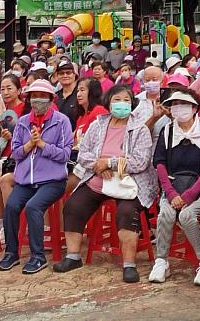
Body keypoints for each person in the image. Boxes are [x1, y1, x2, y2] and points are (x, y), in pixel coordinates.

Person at [54, 85, 158, 282]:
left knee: (127, 212)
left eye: (126, 100)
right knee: (73, 205)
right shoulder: (98, 125)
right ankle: (73, 256)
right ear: (108, 103)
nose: (122, 104)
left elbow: (140, 161)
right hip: (99, 178)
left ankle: (129, 264)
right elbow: (83, 153)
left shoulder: (140, 129)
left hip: (129, 182)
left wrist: (110, 163)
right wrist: (98, 166)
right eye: (117, 100)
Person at [0, 80, 73, 274]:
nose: (37, 100)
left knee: (33, 206)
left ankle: (38, 256)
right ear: (28, 99)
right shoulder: (23, 122)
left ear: (50, 99)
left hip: (53, 180)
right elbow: (15, 152)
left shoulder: (61, 120)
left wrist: (42, 146)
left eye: (42, 96)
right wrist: (29, 145)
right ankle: (11, 253)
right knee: (12, 206)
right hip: (25, 180)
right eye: (33, 96)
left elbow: (65, 154)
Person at [150, 89, 200, 285]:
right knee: (166, 214)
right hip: (174, 185)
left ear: (195, 108)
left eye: (184, 104)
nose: (178, 109)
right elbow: (160, 163)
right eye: (175, 105)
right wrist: (171, 193)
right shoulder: (168, 131)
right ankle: (161, 261)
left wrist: (189, 195)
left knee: (186, 216)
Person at [0, 74, 27, 227]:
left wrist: (1, 110)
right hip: (0, 154)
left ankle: (10, 224)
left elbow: (18, 131)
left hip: (15, 157)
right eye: (2, 89)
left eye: (9, 88)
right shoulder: (0, 110)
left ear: (19, 90)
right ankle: (0, 221)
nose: (5, 92)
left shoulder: (24, 108)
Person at [54, 59, 79, 129]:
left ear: (74, 75)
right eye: (61, 73)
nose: (65, 76)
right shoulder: (55, 97)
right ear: (57, 76)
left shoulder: (80, 94)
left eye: (68, 73)